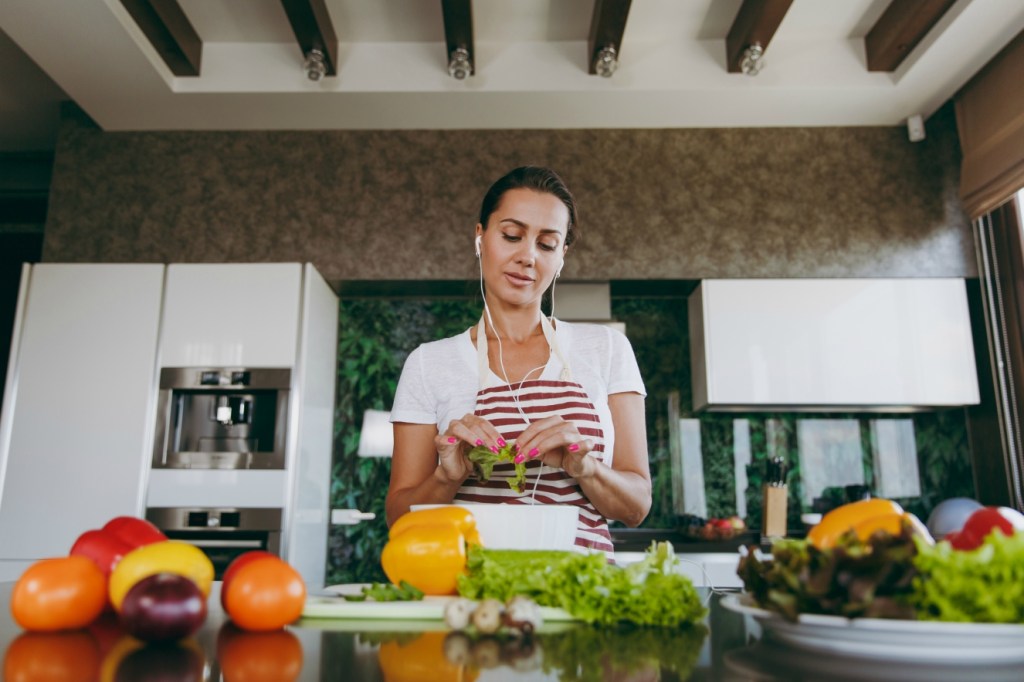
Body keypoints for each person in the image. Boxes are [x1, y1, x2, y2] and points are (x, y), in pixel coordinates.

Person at [385, 166, 651, 556]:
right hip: (472, 600)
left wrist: (587, 468)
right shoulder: (429, 363)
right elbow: (399, 518)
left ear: (562, 257)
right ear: (480, 238)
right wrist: (448, 475)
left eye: (546, 244)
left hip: (581, 594)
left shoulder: (607, 348)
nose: (527, 256)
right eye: (512, 235)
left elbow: (636, 507)